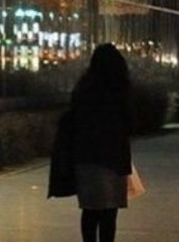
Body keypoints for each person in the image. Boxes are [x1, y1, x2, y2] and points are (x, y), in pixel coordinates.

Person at [69, 43, 135, 242]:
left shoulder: (84, 87)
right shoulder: (120, 88)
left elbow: (74, 120)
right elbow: (130, 121)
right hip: (114, 157)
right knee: (109, 212)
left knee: (90, 210)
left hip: (87, 156)